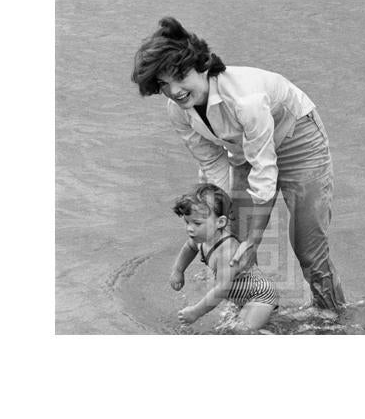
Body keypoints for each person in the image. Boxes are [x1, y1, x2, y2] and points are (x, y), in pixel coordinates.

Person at [132, 16, 345, 311]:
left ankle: (332, 318)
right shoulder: (178, 111)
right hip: (243, 148)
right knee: (231, 237)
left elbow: (264, 172)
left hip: (298, 138)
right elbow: (214, 164)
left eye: (180, 77)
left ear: (201, 66)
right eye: (163, 84)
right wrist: (223, 217)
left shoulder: (246, 99)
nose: (175, 91)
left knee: (308, 248)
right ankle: (251, 314)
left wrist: (256, 237)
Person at [171, 183, 278, 331]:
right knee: (230, 328)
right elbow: (189, 248)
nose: (190, 228)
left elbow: (222, 288)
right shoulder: (201, 240)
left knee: (241, 330)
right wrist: (178, 270)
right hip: (242, 297)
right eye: (187, 222)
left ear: (220, 222)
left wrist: (195, 312)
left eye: (197, 223)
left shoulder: (226, 250)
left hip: (259, 296)